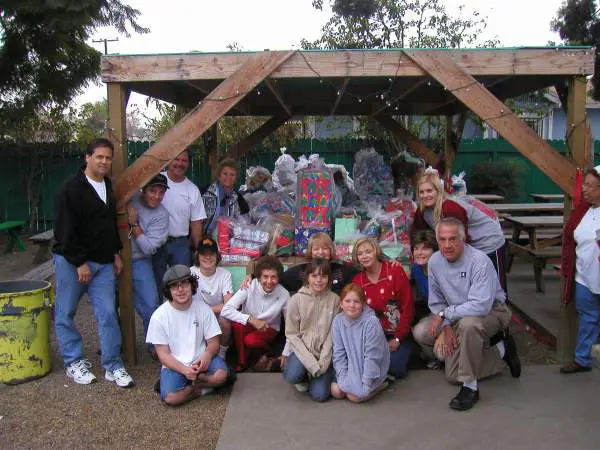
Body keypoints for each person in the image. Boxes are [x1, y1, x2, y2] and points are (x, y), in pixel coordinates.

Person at [413, 218, 521, 411]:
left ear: (463, 239)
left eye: (453, 239)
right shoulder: (435, 261)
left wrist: (447, 315)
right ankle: (496, 350)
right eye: (443, 239)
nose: (447, 245)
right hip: (454, 315)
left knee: (468, 328)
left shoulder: (479, 261)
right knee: (422, 333)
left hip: (491, 311)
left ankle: (470, 386)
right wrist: (445, 327)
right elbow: (436, 302)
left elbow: (480, 305)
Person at [52, 138, 134, 388]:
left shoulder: (108, 186)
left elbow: (108, 226)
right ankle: (73, 361)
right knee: (65, 312)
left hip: (103, 263)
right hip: (72, 261)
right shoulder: (71, 189)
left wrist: (116, 252)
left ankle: (112, 364)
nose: (104, 162)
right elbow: (64, 230)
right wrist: (79, 262)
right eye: (99, 157)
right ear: (87, 158)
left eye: (108, 158)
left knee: (108, 313)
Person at [146, 265, 230, 406]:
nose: (180, 290)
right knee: (171, 398)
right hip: (175, 364)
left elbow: (214, 343)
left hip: (201, 361)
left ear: (192, 285)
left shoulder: (203, 309)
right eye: (174, 286)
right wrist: (184, 370)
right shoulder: (158, 316)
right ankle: (199, 389)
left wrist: (207, 355)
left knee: (222, 375)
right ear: (169, 291)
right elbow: (163, 355)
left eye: (184, 283)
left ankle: (187, 385)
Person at [412, 171, 508, 291]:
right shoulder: (423, 211)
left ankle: (502, 308)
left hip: (488, 241)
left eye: (429, 191)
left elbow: (462, 240)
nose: (425, 195)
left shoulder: (451, 207)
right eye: (421, 192)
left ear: (439, 191)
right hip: (466, 243)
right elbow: (418, 234)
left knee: (495, 286)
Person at [351, 237, 414, 379]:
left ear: (376, 251)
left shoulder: (394, 270)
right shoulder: (358, 280)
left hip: (400, 332)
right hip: (375, 335)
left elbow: (408, 306)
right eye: (360, 253)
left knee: (395, 367)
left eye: (368, 251)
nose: (364, 256)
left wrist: (398, 339)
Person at [560, 165, 600, 374]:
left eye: (590, 186)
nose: (584, 189)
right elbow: (570, 238)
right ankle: (582, 359)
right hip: (585, 275)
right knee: (588, 316)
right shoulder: (583, 211)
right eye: (584, 184)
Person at [283, 259, 340, 402]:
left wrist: (323, 362)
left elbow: (333, 334)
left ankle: (323, 375)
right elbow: (292, 334)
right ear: (307, 277)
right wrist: (311, 363)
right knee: (292, 375)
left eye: (323, 276)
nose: (319, 280)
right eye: (314, 276)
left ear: (329, 278)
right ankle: (304, 375)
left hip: (324, 353)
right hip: (303, 351)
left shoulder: (335, 300)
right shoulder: (296, 300)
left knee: (319, 396)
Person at [221, 255, 290, 371]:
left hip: (269, 328)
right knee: (238, 326)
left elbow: (291, 326)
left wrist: (286, 352)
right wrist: (251, 320)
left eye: (273, 277)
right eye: (265, 277)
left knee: (250, 340)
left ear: (278, 278)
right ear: (258, 278)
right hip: (249, 324)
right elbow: (225, 310)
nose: (269, 281)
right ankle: (242, 362)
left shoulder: (284, 294)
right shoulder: (249, 286)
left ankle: (269, 353)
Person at [152, 149, 207, 291]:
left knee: (182, 284)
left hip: (180, 244)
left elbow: (196, 223)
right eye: (177, 159)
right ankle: (158, 313)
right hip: (155, 242)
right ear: (170, 160)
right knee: (156, 286)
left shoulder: (192, 189)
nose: (180, 164)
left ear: (188, 163)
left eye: (184, 160)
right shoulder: (156, 181)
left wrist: (198, 250)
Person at [127, 174, 170, 349]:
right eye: (153, 191)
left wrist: (134, 225)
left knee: (151, 303)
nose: (156, 196)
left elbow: (149, 248)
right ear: (143, 189)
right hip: (113, 257)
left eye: (161, 192)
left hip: (139, 259)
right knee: (111, 304)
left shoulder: (162, 214)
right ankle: (120, 343)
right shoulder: (130, 199)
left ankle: (153, 346)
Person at [331, 284, 390, 403]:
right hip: (351, 367)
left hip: (369, 369)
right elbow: (339, 353)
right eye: (347, 301)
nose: (352, 305)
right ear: (341, 304)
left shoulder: (371, 322)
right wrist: (343, 379)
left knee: (356, 396)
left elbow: (373, 356)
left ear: (363, 305)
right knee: (336, 391)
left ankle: (382, 383)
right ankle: (351, 385)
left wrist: (366, 384)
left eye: (356, 302)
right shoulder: (338, 321)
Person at [190, 238, 234, 360]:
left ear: (217, 256)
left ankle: (222, 351)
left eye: (211, 254)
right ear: (198, 256)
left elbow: (228, 304)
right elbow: (187, 303)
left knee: (225, 319)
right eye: (204, 254)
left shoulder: (225, 274)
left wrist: (207, 310)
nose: (208, 257)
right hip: (196, 313)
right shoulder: (191, 273)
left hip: (216, 314)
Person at [278, 232, 359, 295]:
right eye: (316, 249)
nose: (320, 252)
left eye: (325, 248)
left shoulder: (341, 271)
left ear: (331, 250)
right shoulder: (301, 271)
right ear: (311, 252)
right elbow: (280, 281)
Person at [202, 157, 250, 238]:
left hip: (227, 241)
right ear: (219, 175)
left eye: (232, 174)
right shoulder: (205, 192)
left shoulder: (239, 199)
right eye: (225, 173)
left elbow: (244, 223)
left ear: (236, 178)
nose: (228, 177)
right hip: (205, 240)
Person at [410, 230, 439, 324]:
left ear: (434, 251)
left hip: (452, 312)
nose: (419, 252)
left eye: (425, 248)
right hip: (435, 312)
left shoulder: (441, 270)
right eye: (416, 248)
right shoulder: (416, 268)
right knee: (419, 333)